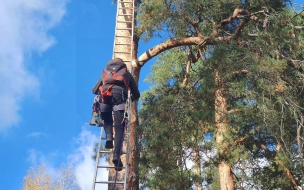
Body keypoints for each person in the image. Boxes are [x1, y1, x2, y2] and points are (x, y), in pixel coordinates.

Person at [91, 58, 140, 170]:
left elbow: (94, 90)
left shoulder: (105, 72)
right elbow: (136, 94)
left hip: (105, 95)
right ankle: (116, 156)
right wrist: (129, 100)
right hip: (119, 97)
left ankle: (108, 137)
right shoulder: (126, 74)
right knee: (119, 128)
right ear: (122, 65)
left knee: (107, 119)